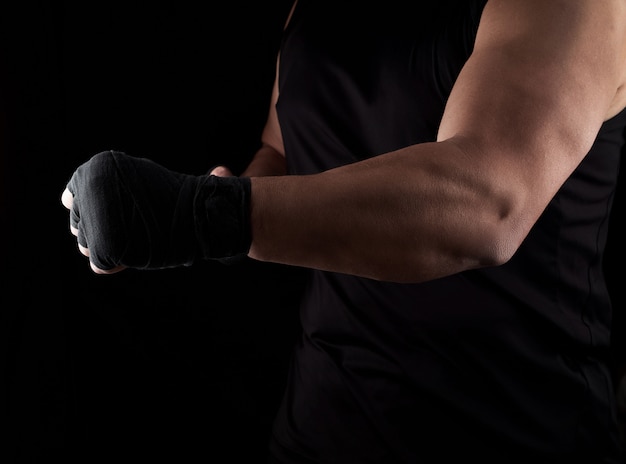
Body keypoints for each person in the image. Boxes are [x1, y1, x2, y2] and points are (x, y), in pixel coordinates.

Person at [60, 0, 626, 462]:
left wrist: (200, 217)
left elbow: (484, 204)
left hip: (512, 431)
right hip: (325, 423)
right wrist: (219, 194)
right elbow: (282, 148)